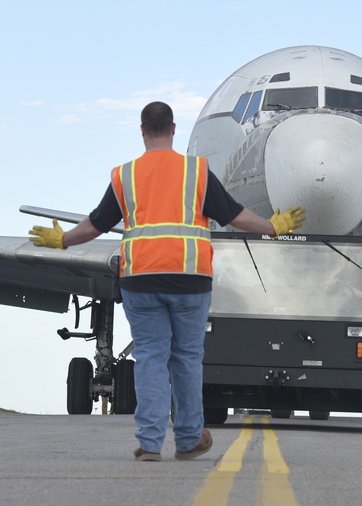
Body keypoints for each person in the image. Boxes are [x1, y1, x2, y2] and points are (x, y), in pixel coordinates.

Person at [28, 101, 305, 462]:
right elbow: (235, 215)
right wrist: (273, 227)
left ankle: (150, 443)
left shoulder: (125, 175)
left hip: (141, 280)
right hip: (190, 279)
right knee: (187, 359)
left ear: (143, 131)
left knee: (150, 360)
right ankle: (189, 439)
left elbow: (95, 224)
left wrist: (63, 239)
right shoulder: (197, 172)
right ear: (173, 129)